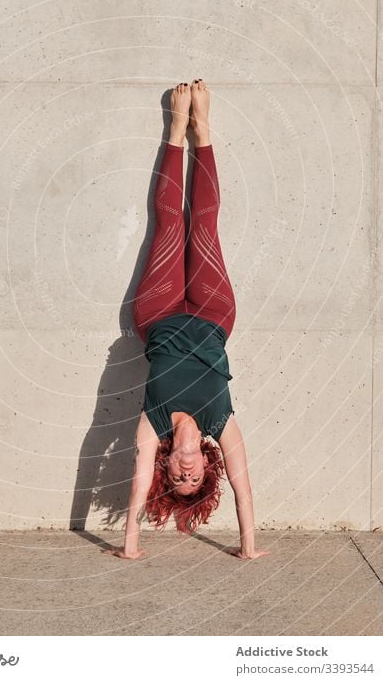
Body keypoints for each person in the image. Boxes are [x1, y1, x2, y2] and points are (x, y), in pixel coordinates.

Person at [106, 80, 269, 561]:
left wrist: (130, 547)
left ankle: (177, 130)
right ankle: (204, 128)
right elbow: (244, 493)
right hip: (214, 315)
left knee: (169, 221)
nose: (185, 475)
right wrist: (249, 548)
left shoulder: (150, 428)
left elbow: (137, 491)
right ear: (205, 464)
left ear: (168, 466)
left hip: (156, 313)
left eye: (177, 479)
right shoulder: (223, 423)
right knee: (206, 220)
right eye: (193, 478)